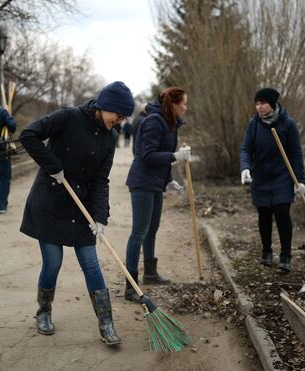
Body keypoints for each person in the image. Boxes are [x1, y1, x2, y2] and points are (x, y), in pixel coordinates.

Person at [19, 81, 135, 346]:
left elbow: (101, 180)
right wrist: (53, 166)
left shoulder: (110, 137)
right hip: (49, 201)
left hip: (79, 206)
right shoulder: (69, 117)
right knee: (53, 263)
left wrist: (100, 217)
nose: (120, 121)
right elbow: (28, 135)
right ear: (106, 107)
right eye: (119, 115)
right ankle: (44, 311)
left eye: (124, 118)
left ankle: (106, 323)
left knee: (91, 263)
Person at [124, 87, 189, 303]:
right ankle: (131, 286)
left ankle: (150, 273)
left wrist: (169, 178)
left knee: (152, 228)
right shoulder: (153, 121)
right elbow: (147, 155)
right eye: (184, 104)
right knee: (139, 232)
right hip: (142, 182)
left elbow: (163, 154)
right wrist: (175, 156)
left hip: (156, 182)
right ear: (173, 105)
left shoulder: (170, 123)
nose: (186, 108)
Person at [240, 87, 305, 272]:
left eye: (263, 103)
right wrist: (245, 167)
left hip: (282, 177)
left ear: (273, 104)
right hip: (260, 177)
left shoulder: (287, 124)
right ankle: (266, 252)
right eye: (257, 103)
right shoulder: (254, 124)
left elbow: (296, 154)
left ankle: (285, 256)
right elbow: (246, 148)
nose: (259, 107)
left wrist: (300, 180)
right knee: (264, 215)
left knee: (282, 213)